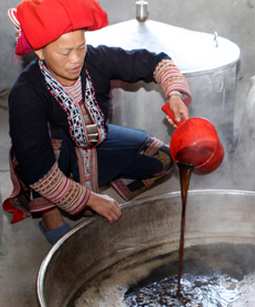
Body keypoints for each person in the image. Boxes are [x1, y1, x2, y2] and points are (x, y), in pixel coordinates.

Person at [2, 0, 192, 244]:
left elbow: (155, 63)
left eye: (80, 48)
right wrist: (90, 199)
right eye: (65, 52)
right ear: (39, 51)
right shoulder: (26, 93)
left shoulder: (96, 59)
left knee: (162, 159)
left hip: (93, 142)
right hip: (50, 158)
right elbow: (37, 170)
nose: (76, 59)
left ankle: (89, 189)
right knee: (47, 154)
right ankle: (50, 214)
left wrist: (174, 95)